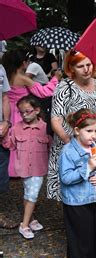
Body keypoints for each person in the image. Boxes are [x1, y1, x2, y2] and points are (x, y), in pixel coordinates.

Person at [47, 50, 96, 201]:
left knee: (94, 184)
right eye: (80, 66)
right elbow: (55, 120)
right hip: (72, 147)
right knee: (74, 191)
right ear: (71, 68)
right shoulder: (65, 86)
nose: (87, 69)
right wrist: (72, 144)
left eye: (88, 64)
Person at [58, 109, 96, 258]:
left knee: (94, 237)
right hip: (77, 202)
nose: (93, 135)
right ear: (77, 130)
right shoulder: (68, 151)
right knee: (80, 242)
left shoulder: (94, 146)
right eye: (89, 131)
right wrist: (88, 167)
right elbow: (66, 178)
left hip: (95, 197)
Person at [2, 49, 60, 177]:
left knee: (10, 140)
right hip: (21, 112)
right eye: (27, 61)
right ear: (23, 63)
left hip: (6, 111)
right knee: (21, 142)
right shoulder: (22, 78)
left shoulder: (5, 75)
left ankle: (8, 170)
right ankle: (19, 170)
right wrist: (55, 78)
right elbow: (44, 92)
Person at [2, 95, 52, 239]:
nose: (24, 115)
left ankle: (26, 222)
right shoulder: (17, 127)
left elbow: (52, 146)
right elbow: (10, 145)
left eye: (28, 111)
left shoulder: (45, 127)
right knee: (29, 193)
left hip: (38, 167)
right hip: (23, 167)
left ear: (37, 110)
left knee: (32, 194)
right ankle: (27, 222)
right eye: (21, 112)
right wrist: (3, 136)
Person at [0, 63, 16, 231]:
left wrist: (6, 122)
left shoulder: (1, 68)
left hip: (1, 130)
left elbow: (5, 97)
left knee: (0, 174)